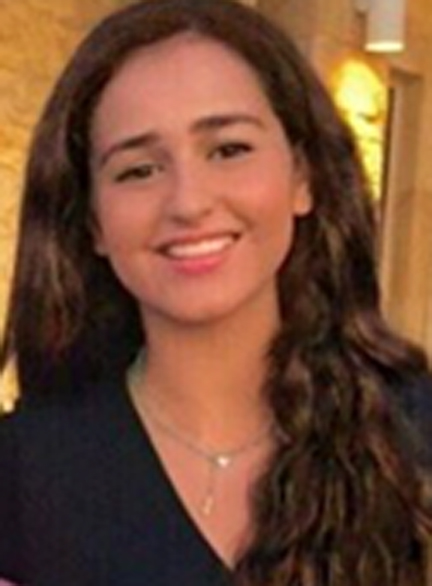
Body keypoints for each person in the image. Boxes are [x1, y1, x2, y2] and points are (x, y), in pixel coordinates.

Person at [0, 0, 431, 584]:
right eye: (139, 170)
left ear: (303, 177)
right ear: (93, 222)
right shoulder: (25, 477)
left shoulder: (413, 437)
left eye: (229, 150)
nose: (189, 202)